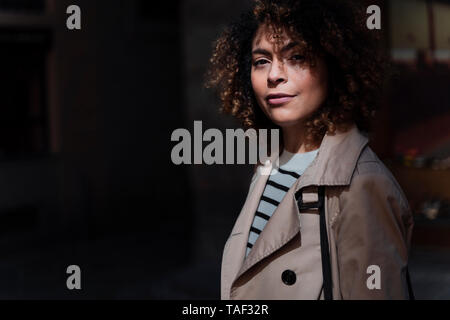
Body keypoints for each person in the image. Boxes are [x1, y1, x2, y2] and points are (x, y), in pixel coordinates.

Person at [205, 0, 414, 300]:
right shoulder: (268, 165)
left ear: (336, 65)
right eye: (261, 60)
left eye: (296, 56)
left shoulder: (362, 184)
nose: (274, 75)